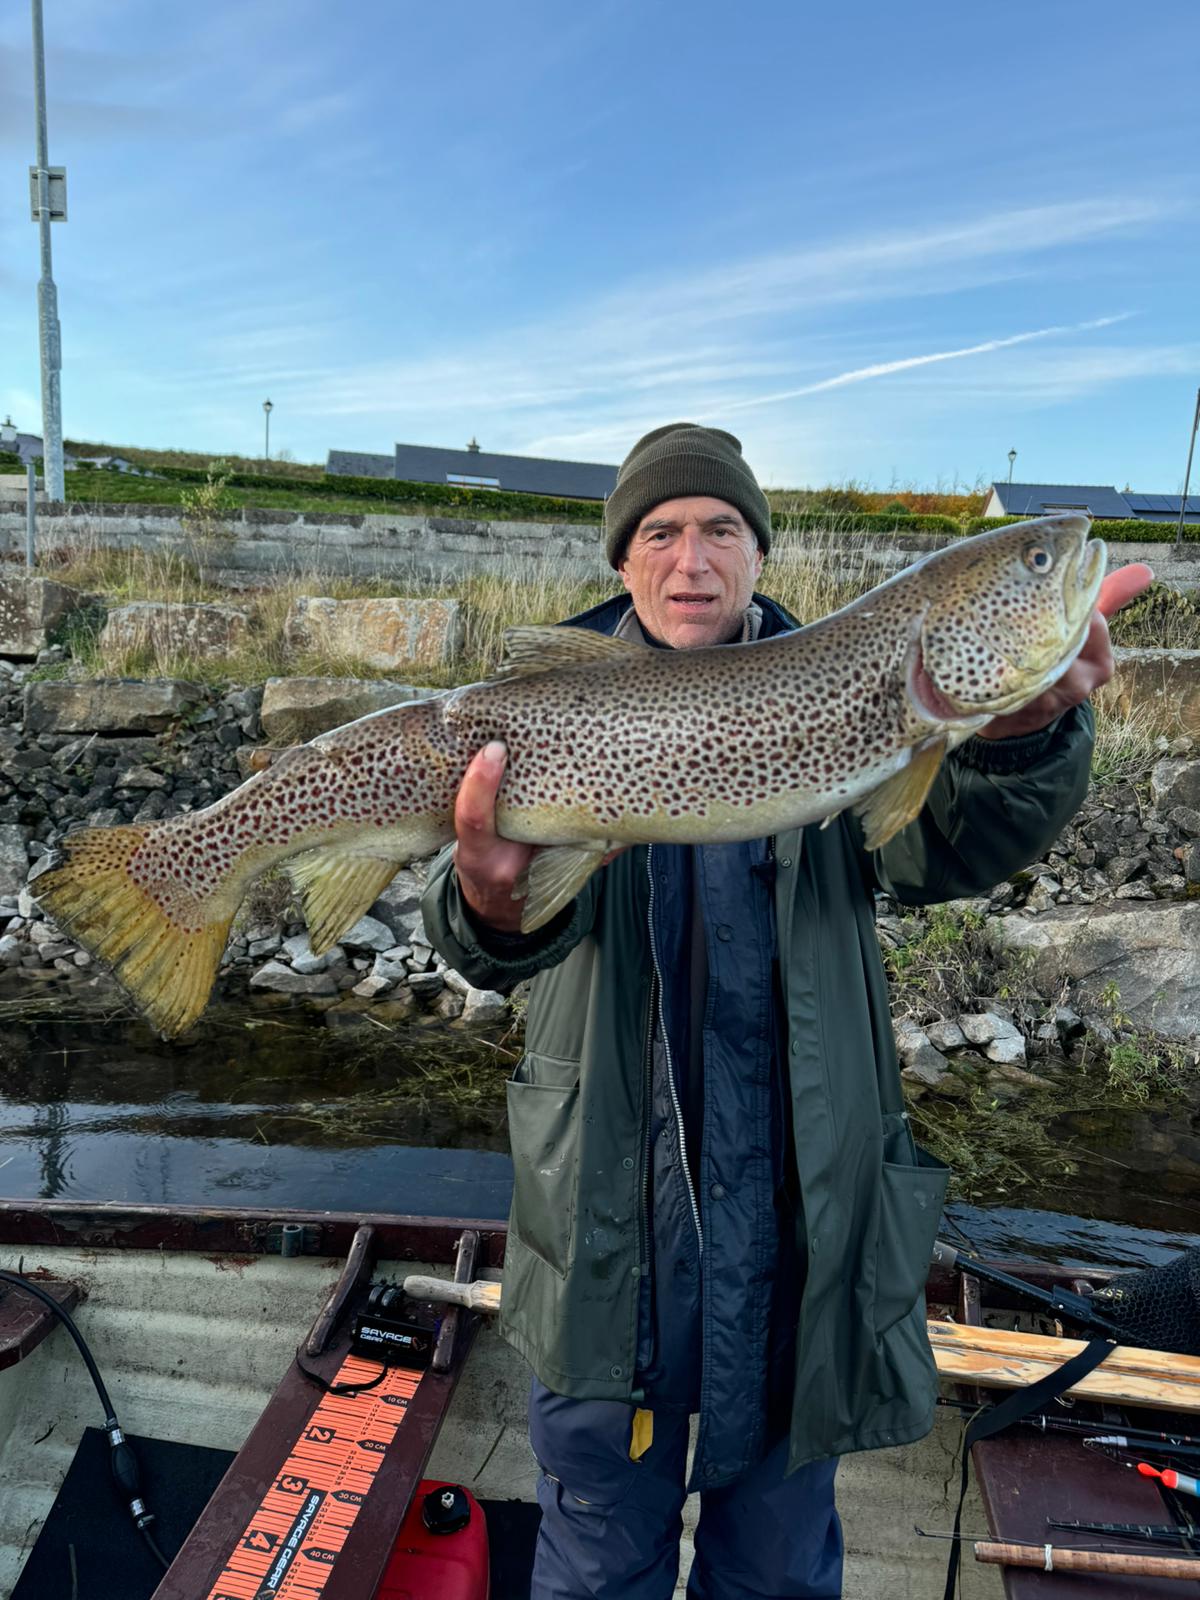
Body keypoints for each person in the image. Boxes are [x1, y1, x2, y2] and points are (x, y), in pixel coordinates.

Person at [421, 423, 1150, 1599]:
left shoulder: (861, 688)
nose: (692, 559)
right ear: (623, 560)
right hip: (607, 1250)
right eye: (662, 533)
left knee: (773, 1574)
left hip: (799, 1264)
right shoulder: (546, 709)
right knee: (595, 1567)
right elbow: (472, 938)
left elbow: (952, 843)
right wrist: (486, 906)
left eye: (722, 529)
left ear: (760, 552)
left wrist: (1022, 739)